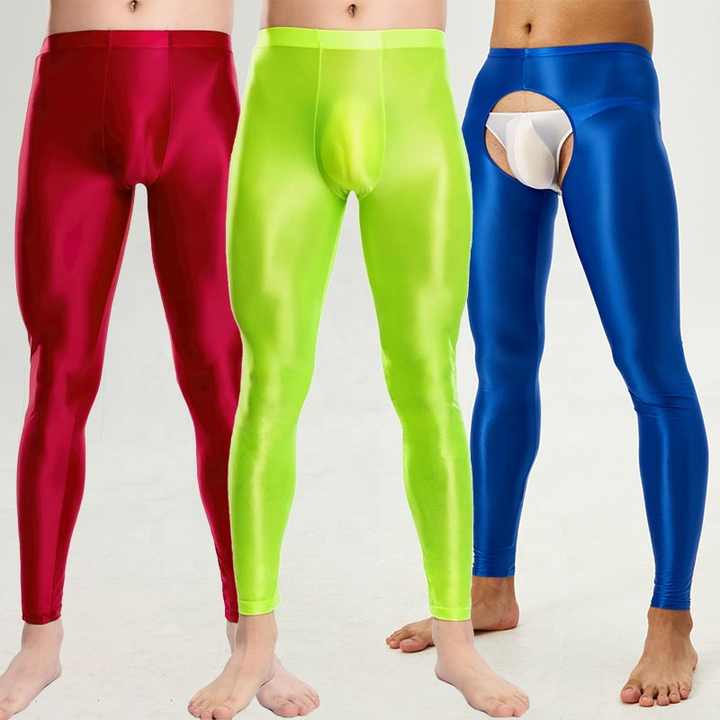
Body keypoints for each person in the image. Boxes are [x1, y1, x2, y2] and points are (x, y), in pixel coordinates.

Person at [189, 1, 530, 718]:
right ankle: (254, 643)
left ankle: (456, 639)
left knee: (428, 380)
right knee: (269, 381)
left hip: (412, 99)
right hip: (286, 100)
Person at [387, 0, 708, 710]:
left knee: (653, 372)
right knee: (500, 366)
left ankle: (672, 619)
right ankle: (489, 587)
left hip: (606, 93)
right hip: (497, 89)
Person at [0, 2, 314, 718]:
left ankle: (251, 635)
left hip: (198, 91)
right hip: (73, 91)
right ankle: (39, 638)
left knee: (222, 383)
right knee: (58, 374)